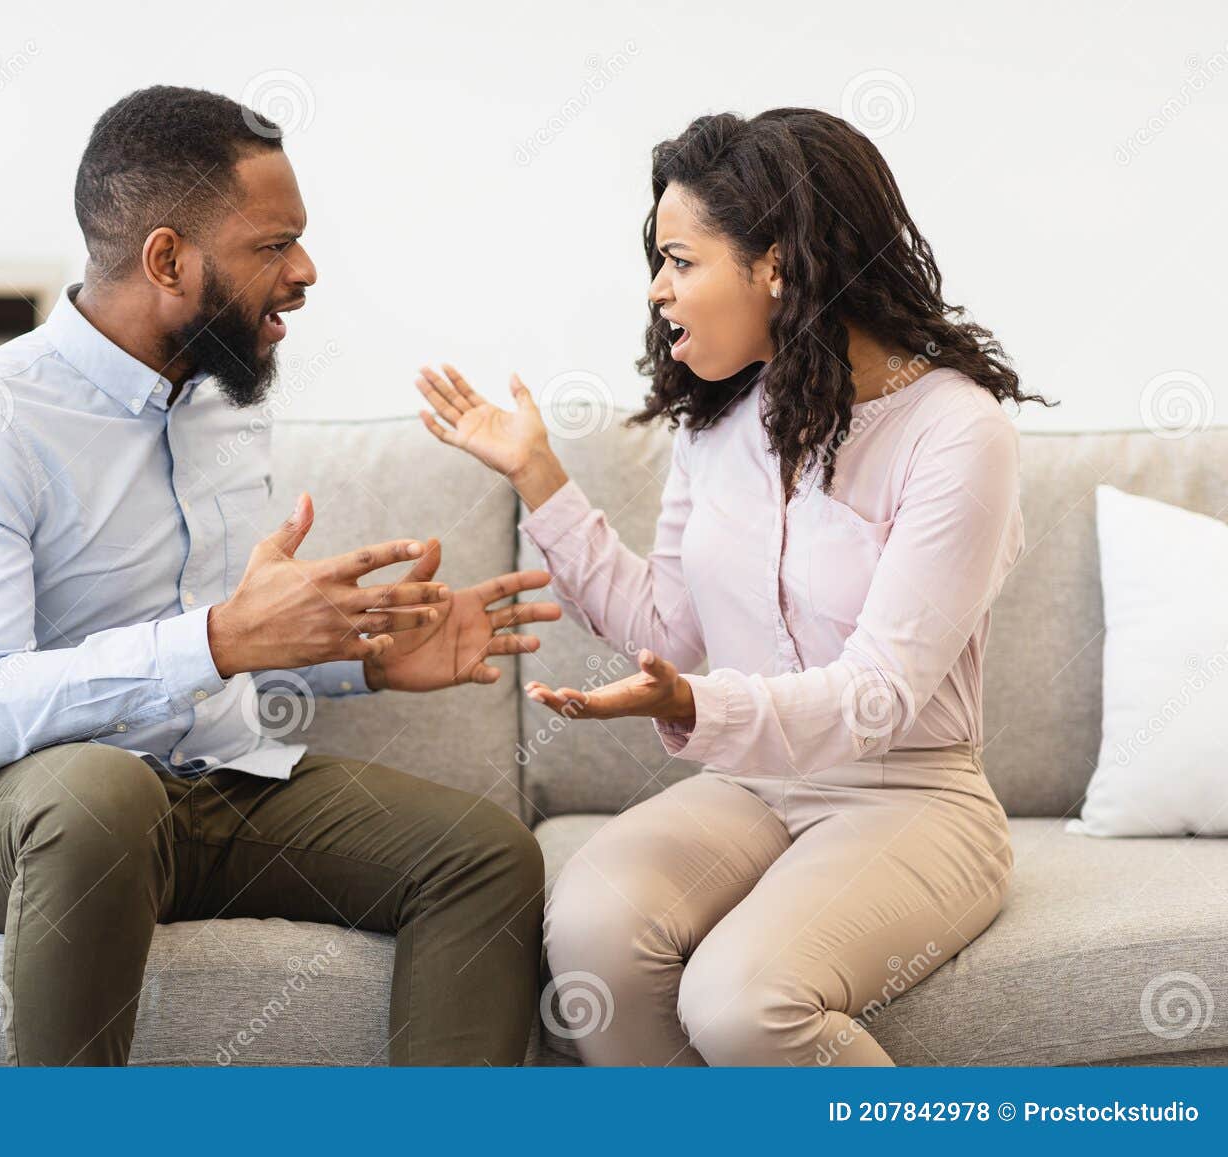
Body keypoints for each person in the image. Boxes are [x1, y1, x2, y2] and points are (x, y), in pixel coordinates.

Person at [0, 85, 558, 1066]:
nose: (304, 270)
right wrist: (217, 639)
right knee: (100, 793)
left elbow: (228, 634)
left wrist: (357, 651)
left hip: (210, 788)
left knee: (485, 854)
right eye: (272, 244)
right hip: (8, 809)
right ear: (167, 258)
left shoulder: (225, 400)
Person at [414, 107, 1051, 1066]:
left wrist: (696, 703)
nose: (657, 288)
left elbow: (875, 696)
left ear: (777, 264)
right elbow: (660, 622)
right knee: (591, 926)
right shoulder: (722, 424)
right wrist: (538, 476)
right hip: (754, 786)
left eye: (679, 259)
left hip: (911, 796)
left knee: (741, 999)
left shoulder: (956, 435)